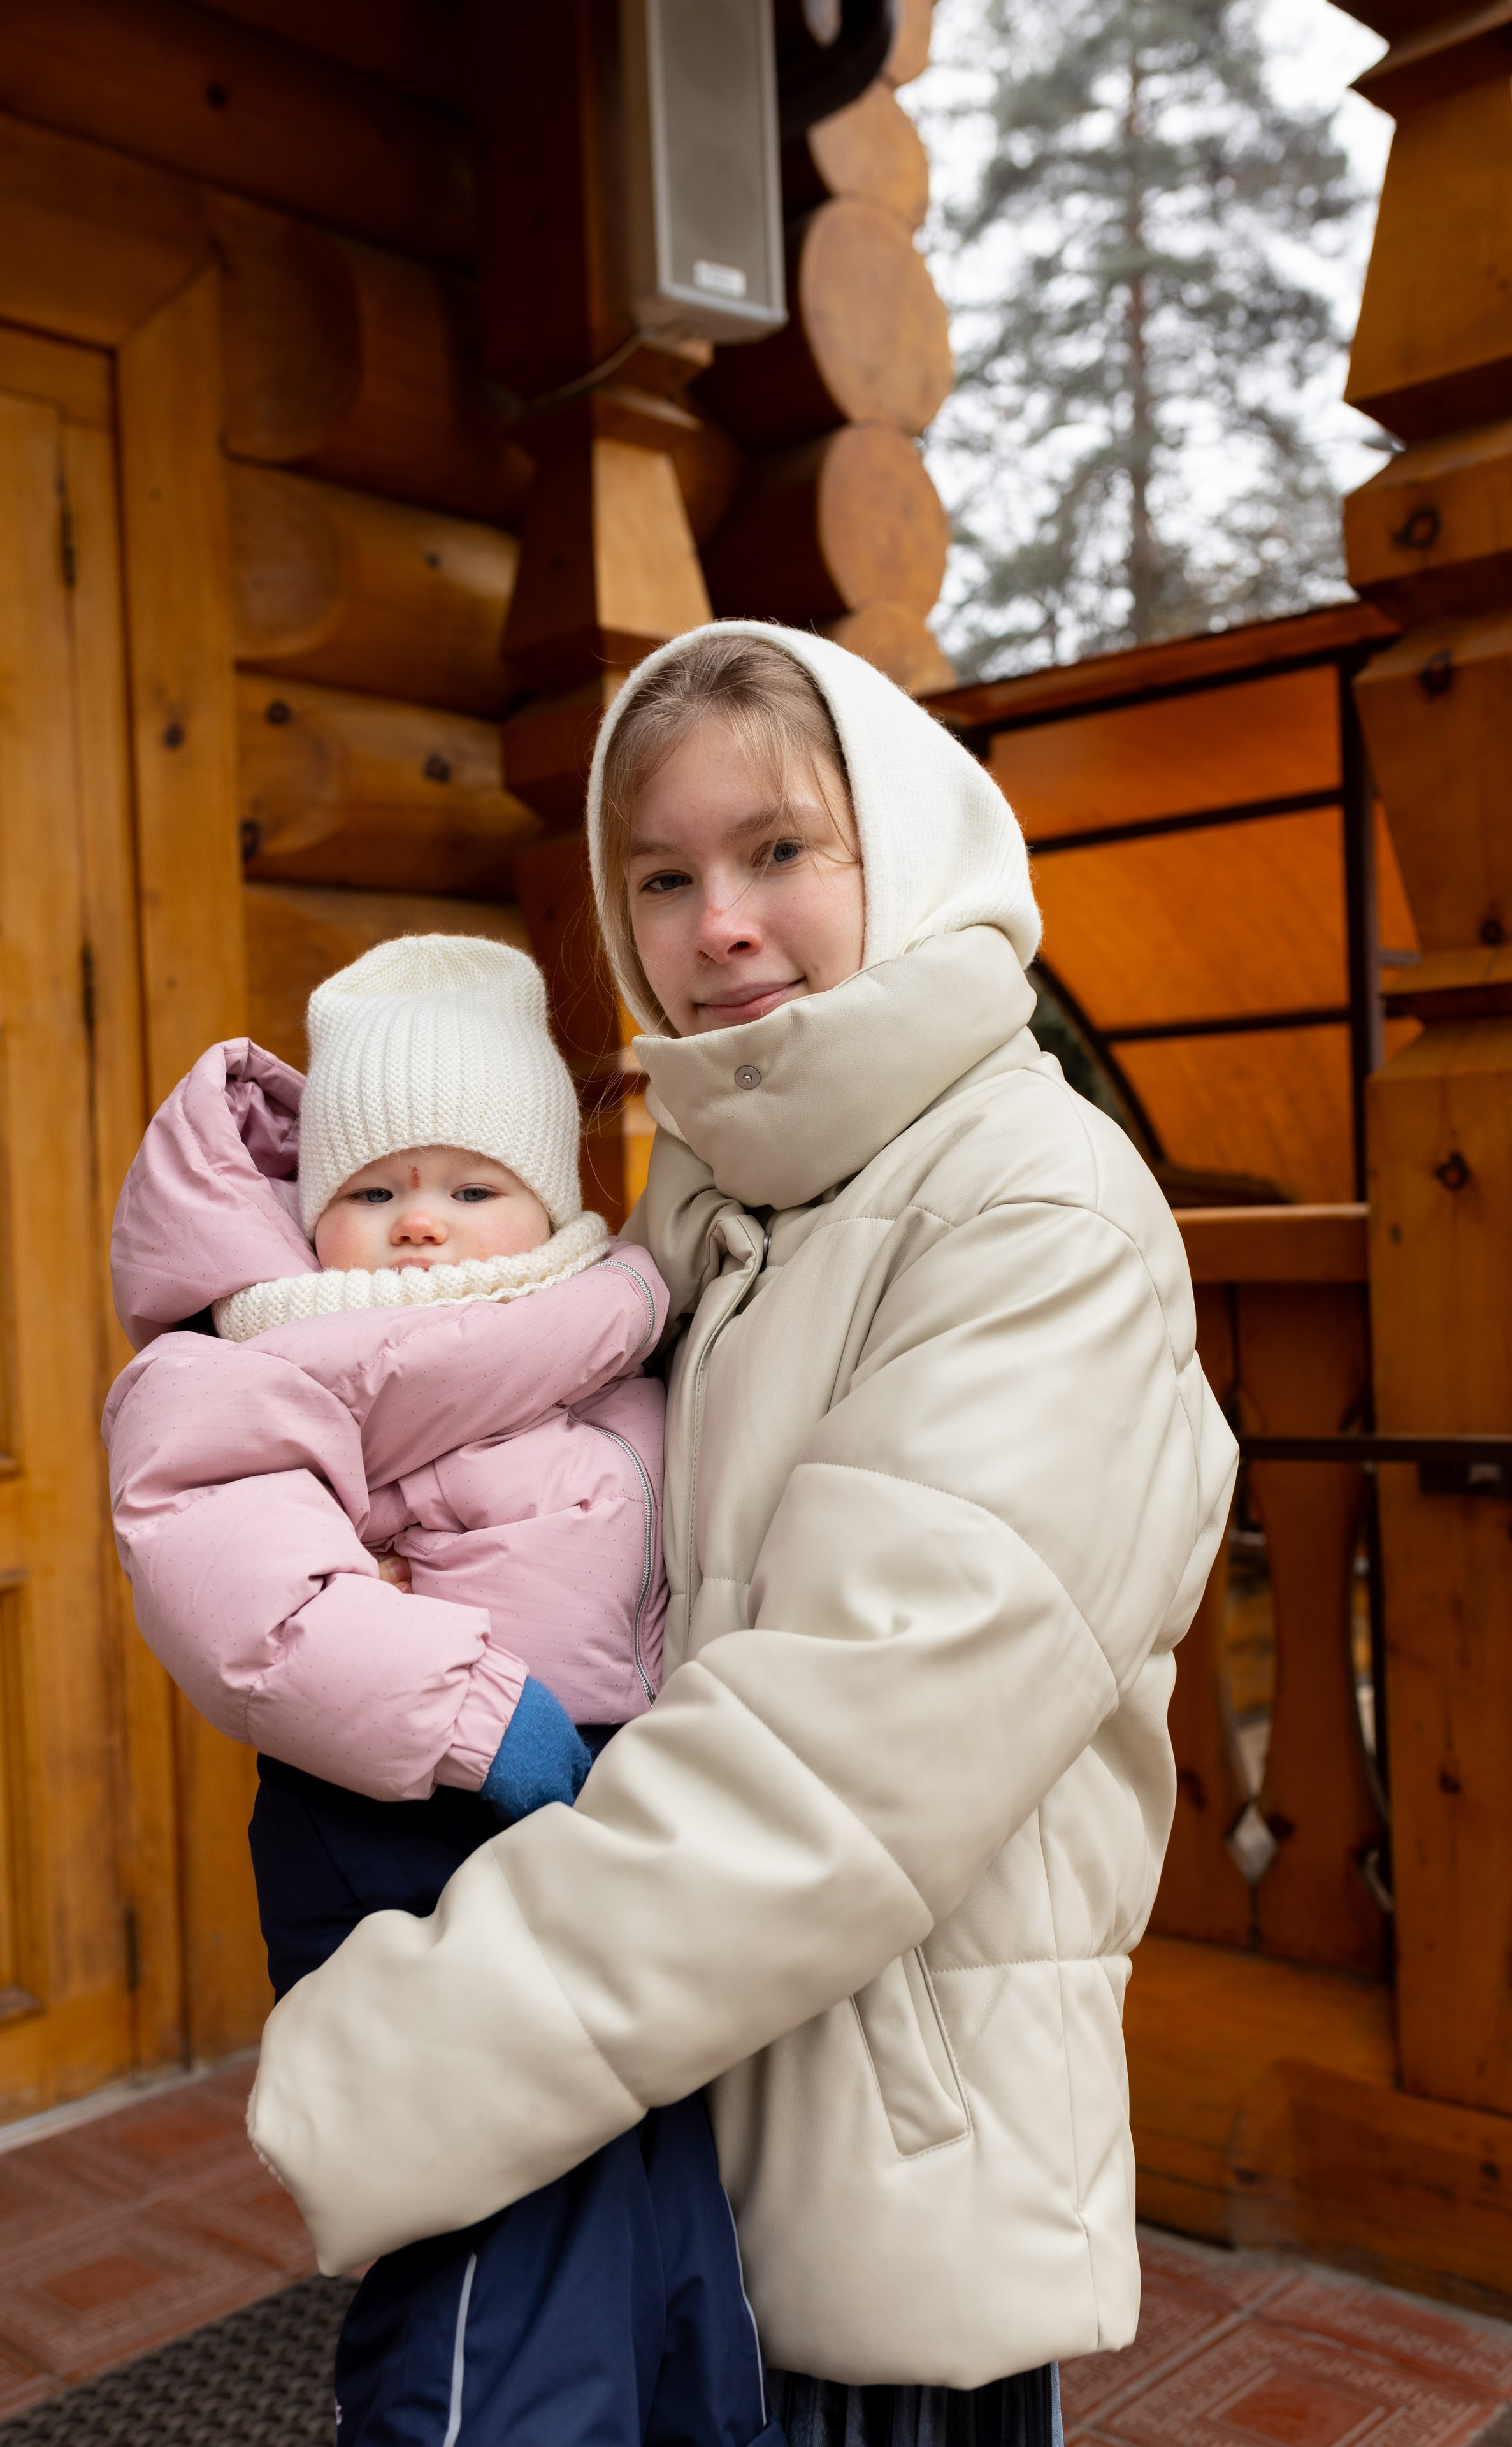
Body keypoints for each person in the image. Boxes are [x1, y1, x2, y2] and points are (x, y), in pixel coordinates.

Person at [245, 622, 1239, 2447]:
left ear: (900, 849)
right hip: (689, 2120)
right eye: (666, 875)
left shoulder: (1033, 1210)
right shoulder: (716, 1190)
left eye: (778, 851)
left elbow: (844, 1756)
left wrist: (423, 2049)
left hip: (888, 2167)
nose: (719, 924)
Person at [104, 935, 786, 2447]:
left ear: (546, 1196)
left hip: (609, 1822)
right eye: (373, 1191)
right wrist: (485, 1716)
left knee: (662, 2214)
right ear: (309, 1217)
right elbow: (244, 1585)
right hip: (416, 1817)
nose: (420, 1226)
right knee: (500, 2227)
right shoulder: (258, 1367)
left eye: (471, 1186)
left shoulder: (613, 1346)